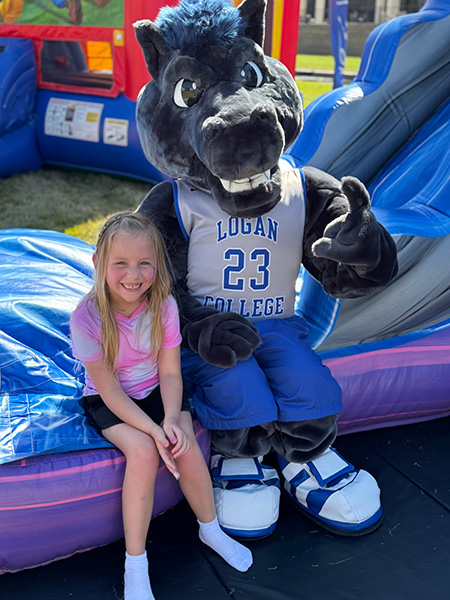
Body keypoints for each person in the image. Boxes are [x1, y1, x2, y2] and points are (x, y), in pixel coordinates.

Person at [70, 211, 253, 600]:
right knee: (142, 452)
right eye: (120, 263)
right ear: (99, 262)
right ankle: (135, 563)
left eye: (144, 263)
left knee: (183, 443)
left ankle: (210, 529)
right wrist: (154, 431)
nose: (133, 274)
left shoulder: (164, 306)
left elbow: (170, 372)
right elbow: (110, 390)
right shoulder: (86, 318)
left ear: (157, 265)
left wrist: (170, 419)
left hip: (157, 389)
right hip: (110, 397)